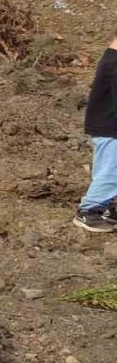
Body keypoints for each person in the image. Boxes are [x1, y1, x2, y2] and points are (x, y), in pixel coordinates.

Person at [74, 35, 117, 232]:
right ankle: (90, 210)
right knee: (112, 171)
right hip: (111, 126)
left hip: (107, 125)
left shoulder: (111, 60)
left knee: (108, 168)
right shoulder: (115, 64)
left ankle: (106, 207)